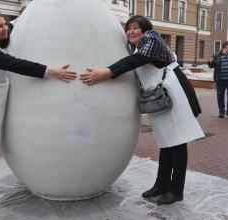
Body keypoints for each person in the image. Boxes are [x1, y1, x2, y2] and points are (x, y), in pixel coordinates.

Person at [0, 10, 77, 216]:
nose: (5, 29)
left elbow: (11, 26)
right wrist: (50, 70)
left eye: (5, 25)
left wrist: (24, 17)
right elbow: (15, 64)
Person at [79, 16, 203, 205]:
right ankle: (161, 185)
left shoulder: (151, 38)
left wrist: (106, 72)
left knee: (177, 144)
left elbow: (138, 60)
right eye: (128, 28)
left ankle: (176, 190)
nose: (131, 31)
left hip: (173, 93)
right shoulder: (137, 46)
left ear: (145, 29)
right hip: (159, 97)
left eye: (135, 27)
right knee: (166, 142)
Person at [208, 41, 228, 119]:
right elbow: (211, 66)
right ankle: (221, 111)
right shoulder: (217, 55)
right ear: (225, 47)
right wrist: (210, 62)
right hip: (220, 79)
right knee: (220, 96)